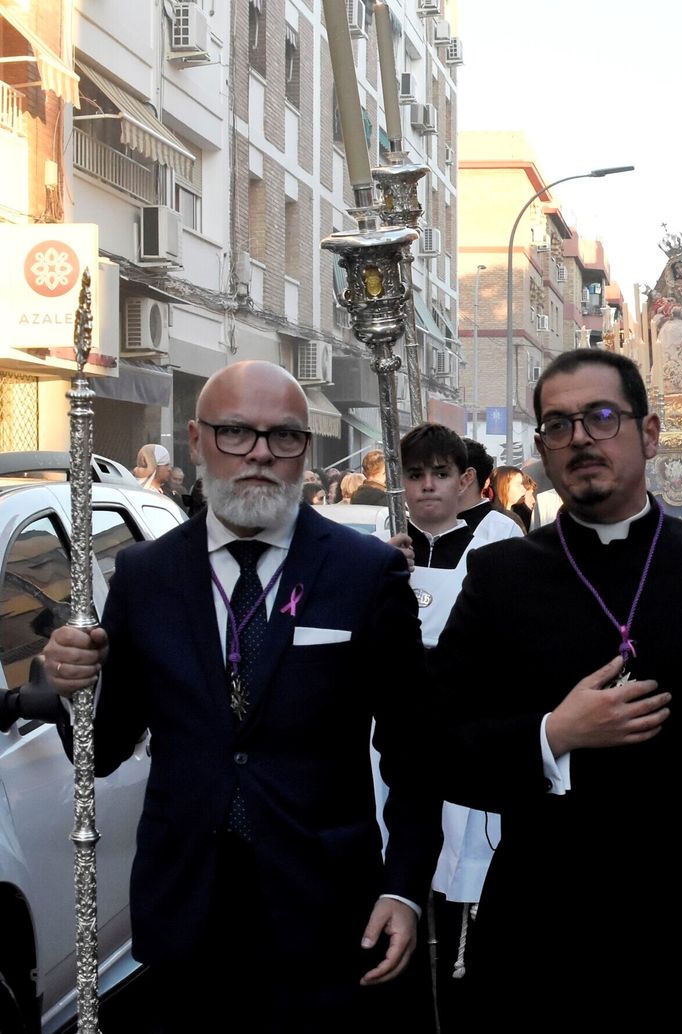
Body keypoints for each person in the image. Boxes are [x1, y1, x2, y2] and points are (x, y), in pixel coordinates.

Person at [427, 349, 682, 1028]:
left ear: (648, 434)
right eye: (558, 426)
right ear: (541, 448)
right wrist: (551, 735)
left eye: (600, 417)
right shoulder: (502, 575)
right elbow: (433, 741)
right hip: (549, 923)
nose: (580, 439)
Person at [39, 361, 436, 1032]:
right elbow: (102, 750)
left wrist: (404, 885)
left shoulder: (364, 573)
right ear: (196, 440)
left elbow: (415, 749)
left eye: (283, 437)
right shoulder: (145, 575)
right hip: (185, 911)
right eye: (235, 433)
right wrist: (72, 682)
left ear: (305, 452)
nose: (258, 453)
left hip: (328, 911)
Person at [382, 423, 518, 1029]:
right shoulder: (384, 547)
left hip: (468, 724)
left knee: (468, 874)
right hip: (396, 733)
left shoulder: (497, 542)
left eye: (440, 474)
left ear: (466, 480)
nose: (427, 487)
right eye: (415, 475)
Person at [458, 438, 525, 540]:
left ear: (468, 477)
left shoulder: (505, 530)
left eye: (442, 474)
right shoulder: (431, 523)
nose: (429, 484)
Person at [492, 465, 532, 532]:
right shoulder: (493, 517)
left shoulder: (523, 513)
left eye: (522, 484)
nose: (524, 489)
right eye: (518, 484)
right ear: (502, 486)